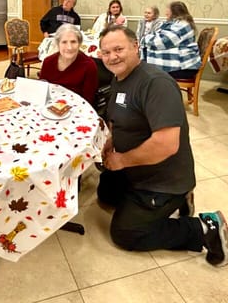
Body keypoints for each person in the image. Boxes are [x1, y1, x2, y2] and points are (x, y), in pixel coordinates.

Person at [97, 25, 227, 267]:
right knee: (105, 192)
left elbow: (166, 144)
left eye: (118, 49)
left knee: (126, 233)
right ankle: (175, 202)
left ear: (136, 47)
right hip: (137, 169)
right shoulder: (120, 78)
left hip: (163, 178)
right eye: (106, 52)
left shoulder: (156, 84)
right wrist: (111, 140)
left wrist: (122, 160)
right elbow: (117, 118)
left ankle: (204, 227)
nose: (112, 57)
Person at [38, 24, 98, 105]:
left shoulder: (89, 66)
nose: (69, 47)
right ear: (58, 44)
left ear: (79, 44)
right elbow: (41, 91)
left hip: (77, 109)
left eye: (73, 42)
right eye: (64, 42)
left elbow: (88, 100)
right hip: (50, 107)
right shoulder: (48, 62)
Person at [144, 1, 201, 80]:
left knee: (144, 69)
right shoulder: (176, 23)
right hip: (182, 64)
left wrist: (146, 37)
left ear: (174, 12)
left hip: (184, 68)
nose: (165, 13)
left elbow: (161, 42)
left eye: (167, 11)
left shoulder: (181, 25)